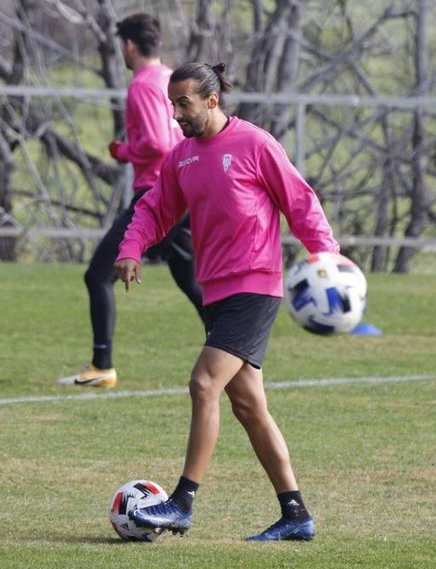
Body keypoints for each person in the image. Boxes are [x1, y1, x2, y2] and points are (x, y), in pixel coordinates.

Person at [114, 62, 339, 542]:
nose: (176, 114)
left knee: (202, 384)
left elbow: (299, 202)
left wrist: (327, 258)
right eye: (171, 104)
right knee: (249, 406)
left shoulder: (255, 144)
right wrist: (132, 248)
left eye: (184, 104)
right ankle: (296, 514)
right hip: (217, 290)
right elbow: (155, 208)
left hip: (255, 286)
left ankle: (181, 503)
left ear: (212, 100)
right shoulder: (182, 158)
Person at [59, 13, 204, 389]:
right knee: (189, 278)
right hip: (184, 188)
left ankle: (102, 365)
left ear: (128, 46)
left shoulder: (141, 84)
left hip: (157, 193)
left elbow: (157, 142)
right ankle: (234, 348)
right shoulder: (170, 78)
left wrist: (123, 150)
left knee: (97, 275)